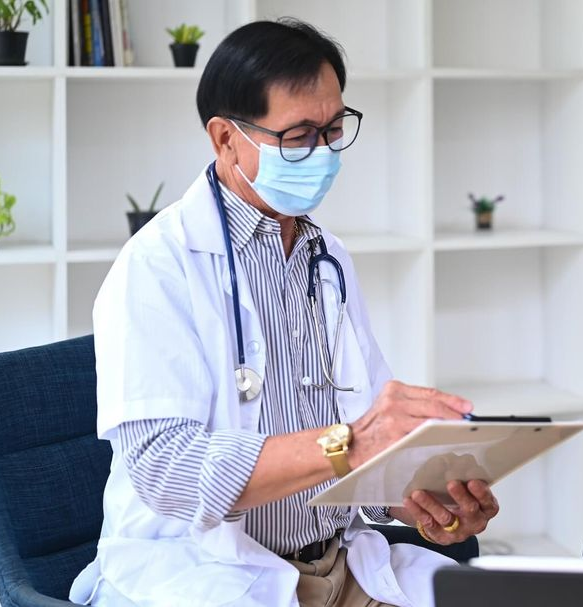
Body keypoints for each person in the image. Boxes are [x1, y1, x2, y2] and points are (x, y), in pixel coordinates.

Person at [70, 19, 499, 607]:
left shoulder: (328, 258)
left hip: (337, 564)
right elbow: (168, 471)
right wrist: (349, 443)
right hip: (202, 574)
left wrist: (416, 496)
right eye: (298, 136)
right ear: (225, 139)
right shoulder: (157, 266)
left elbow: (362, 443)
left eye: (332, 129)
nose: (322, 153)